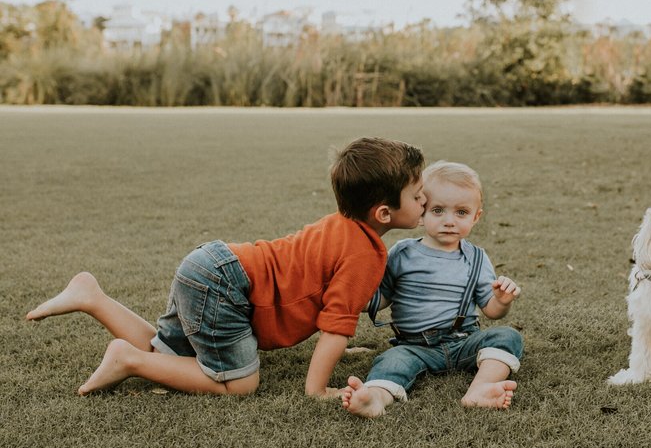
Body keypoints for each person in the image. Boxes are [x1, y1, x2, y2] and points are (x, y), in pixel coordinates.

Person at [25, 137, 426, 398]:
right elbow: (336, 327)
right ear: (384, 213)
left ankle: (92, 298)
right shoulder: (365, 255)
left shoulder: (340, 225)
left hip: (210, 264)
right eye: (417, 193)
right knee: (240, 384)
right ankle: (129, 361)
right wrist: (318, 389)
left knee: (169, 353)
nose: (425, 199)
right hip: (226, 284)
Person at [341, 160, 523, 417]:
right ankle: (375, 397)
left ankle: (480, 388)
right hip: (414, 346)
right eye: (438, 210)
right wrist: (355, 295)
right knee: (392, 361)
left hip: (463, 342)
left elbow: (491, 311)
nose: (449, 221)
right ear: (421, 213)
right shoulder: (403, 253)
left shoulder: (477, 258)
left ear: (476, 216)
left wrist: (502, 300)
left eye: (461, 212)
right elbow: (382, 298)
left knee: (507, 336)